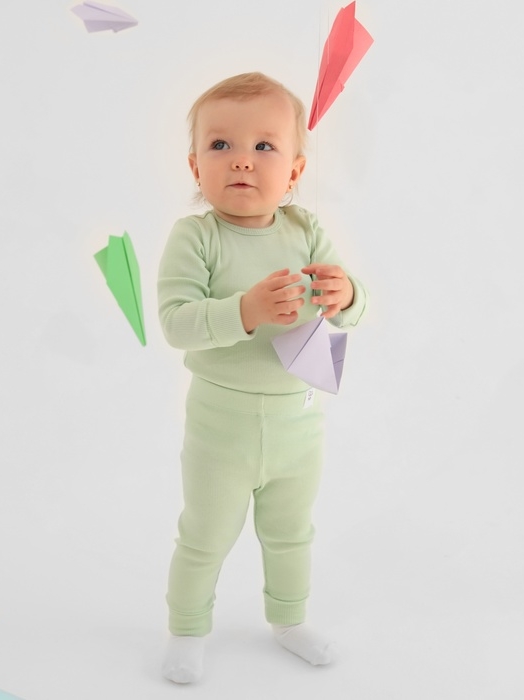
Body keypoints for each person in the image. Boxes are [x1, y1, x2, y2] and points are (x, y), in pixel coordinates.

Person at [157, 71, 368, 684]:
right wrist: (245, 310)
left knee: (291, 532)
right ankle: (187, 629)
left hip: (298, 421)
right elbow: (176, 322)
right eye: (220, 145)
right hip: (220, 424)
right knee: (205, 535)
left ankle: (289, 619)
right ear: (195, 167)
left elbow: (353, 311)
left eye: (264, 146)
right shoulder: (196, 236)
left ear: (296, 171)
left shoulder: (306, 231)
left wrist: (347, 293)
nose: (242, 161)